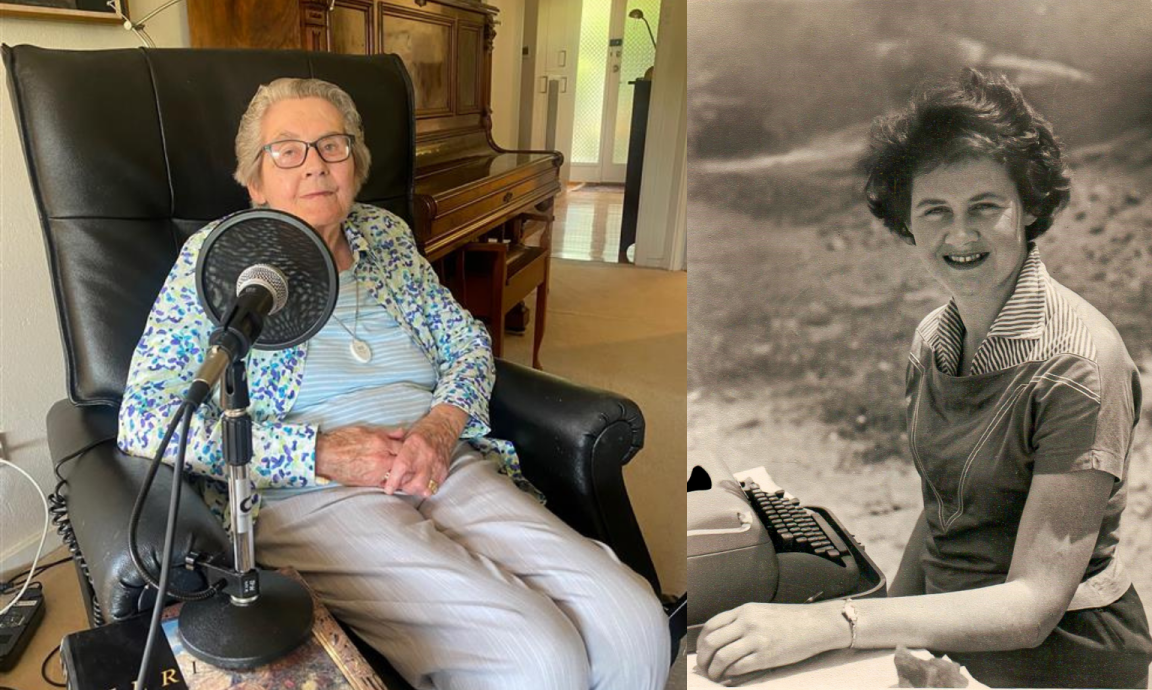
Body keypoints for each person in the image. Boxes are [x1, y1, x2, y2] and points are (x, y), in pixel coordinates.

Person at [117, 77, 669, 690]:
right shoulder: (217, 260)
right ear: (255, 181)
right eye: (288, 150)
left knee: (634, 619)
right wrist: (321, 453)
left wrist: (440, 426)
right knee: (536, 658)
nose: (315, 166)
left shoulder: (383, 235)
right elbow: (144, 416)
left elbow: (465, 341)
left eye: (333, 145)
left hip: (438, 460)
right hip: (310, 495)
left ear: (355, 164)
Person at [695, 69, 1152, 688]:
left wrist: (838, 625)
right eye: (935, 210)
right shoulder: (933, 338)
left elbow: (1032, 606)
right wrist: (870, 633)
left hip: (1062, 653)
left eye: (984, 208)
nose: (959, 235)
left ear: (1030, 207)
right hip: (948, 629)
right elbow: (943, 513)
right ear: (906, 222)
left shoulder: (1079, 364)